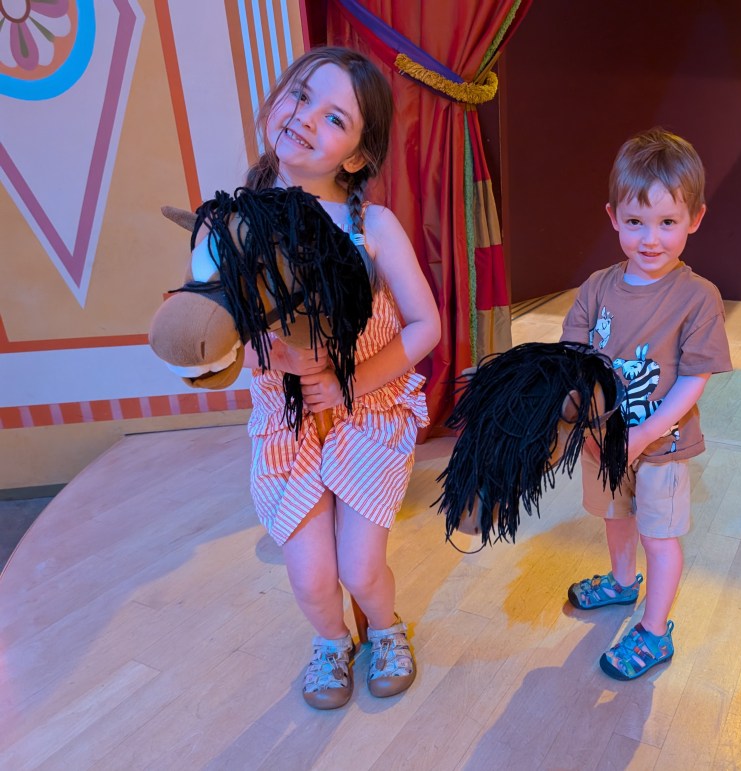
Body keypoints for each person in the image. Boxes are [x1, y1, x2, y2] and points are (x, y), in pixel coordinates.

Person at [236, 47, 440, 709]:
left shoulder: (371, 226)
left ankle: (384, 627)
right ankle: (331, 641)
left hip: (367, 413)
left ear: (355, 157)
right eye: (300, 95)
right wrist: (252, 356)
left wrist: (350, 381)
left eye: (334, 118)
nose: (305, 117)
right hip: (288, 423)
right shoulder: (237, 224)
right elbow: (218, 335)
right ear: (276, 99)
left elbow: (424, 326)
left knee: (359, 565)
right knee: (311, 575)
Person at [561, 128, 732, 680]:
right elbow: (574, 360)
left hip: (663, 448)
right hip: (604, 441)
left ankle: (655, 632)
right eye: (635, 222)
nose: (650, 239)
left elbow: (693, 380)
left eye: (667, 222)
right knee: (615, 518)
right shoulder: (596, 287)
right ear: (613, 217)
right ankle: (620, 582)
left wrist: (642, 434)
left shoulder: (698, 297)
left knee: (659, 538)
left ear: (695, 219)